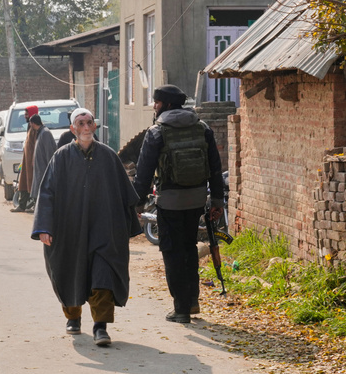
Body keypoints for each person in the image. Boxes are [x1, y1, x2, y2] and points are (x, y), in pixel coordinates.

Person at [31, 108, 141, 346]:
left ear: (94, 126)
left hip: (103, 228)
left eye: (89, 122)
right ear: (73, 129)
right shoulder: (60, 157)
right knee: (70, 271)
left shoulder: (109, 157)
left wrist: (129, 226)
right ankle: (73, 316)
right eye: (80, 123)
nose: (85, 127)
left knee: (103, 274)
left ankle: (100, 326)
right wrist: (44, 227)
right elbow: (46, 193)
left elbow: (125, 195)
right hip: (69, 229)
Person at [132, 84, 225, 324]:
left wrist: (137, 204)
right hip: (196, 200)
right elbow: (216, 168)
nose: (154, 106)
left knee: (172, 252)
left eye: (157, 102)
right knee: (189, 248)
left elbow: (143, 174)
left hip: (170, 203)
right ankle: (192, 300)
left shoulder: (156, 132)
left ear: (167, 104)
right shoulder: (203, 129)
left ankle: (181, 308)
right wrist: (216, 201)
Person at [12, 106, 41, 212]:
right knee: (23, 182)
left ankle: (35, 205)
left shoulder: (36, 128)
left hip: (33, 161)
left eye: (27, 114)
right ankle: (22, 205)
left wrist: (33, 159)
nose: (25, 116)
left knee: (33, 183)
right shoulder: (30, 126)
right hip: (26, 160)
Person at [30, 112, 57, 207]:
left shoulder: (45, 133)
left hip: (44, 169)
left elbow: (49, 152)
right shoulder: (40, 132)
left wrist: (50, 170)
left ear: (33, 123)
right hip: (40, 168)